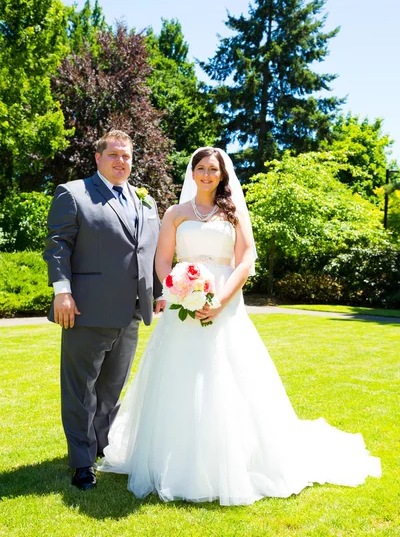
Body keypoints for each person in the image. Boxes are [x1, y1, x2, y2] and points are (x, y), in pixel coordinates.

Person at [96, 147, 381, 506]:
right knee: (178, 377)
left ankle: (231, 460)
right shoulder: (176, 213)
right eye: (200, 168)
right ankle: (172, 460)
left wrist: (221, 300)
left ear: (222, 174)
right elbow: (163, 259)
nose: (206, 174)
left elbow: (246, 259)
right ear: (192, 172)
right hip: (183, 301)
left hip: (224, 301)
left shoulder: (232, 213)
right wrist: (178, 290)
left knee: (226, 374)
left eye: (212, 169)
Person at [43, 129, 166, 491]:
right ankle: (82, 463)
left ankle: (98, 447)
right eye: (113, 155)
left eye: (126, 156)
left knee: (111, 388)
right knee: (81, 390)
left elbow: (150, 253)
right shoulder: (73, 193)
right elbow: (57, 245)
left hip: (131, 312)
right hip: (86, 310)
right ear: (98, 158)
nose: (121, 161)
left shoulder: (146, 201)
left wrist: (158, 293)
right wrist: (62, 292)